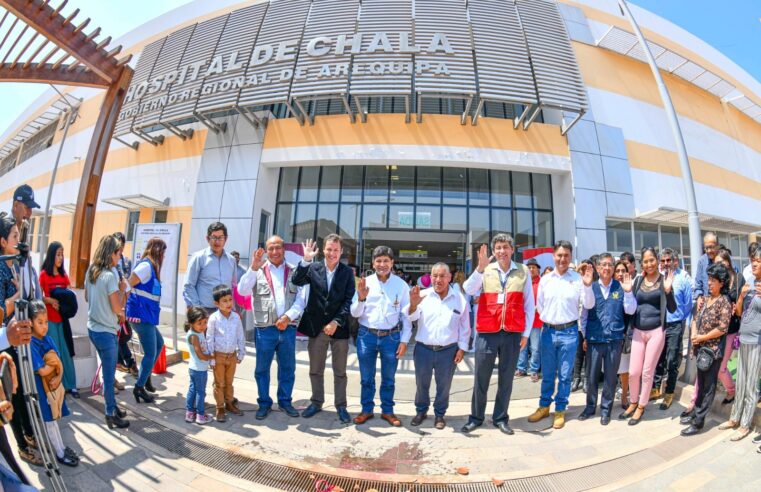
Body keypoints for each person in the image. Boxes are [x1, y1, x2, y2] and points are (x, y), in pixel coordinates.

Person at [461, 234, 535, 435]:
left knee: (506, 379)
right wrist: (479, 269)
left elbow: (529, 304)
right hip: (487, 332)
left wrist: (526, 334)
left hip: (512, 333)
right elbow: (468, 289)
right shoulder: (486, 270)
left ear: (512, 249)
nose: (502, 251)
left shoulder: (523, 271)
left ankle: (500, 418)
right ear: (494, 251)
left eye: (505, 247)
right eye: (498, 248)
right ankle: (476, 417)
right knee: (481, 378)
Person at [238, 235, 307, 420]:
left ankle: (285, 402)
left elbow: (301, 299)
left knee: (287, 368)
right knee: (262, 369)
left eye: (278, 248)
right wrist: (253, 266)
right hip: (264, 330)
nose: (275, 252)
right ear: (266, 251)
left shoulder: (294, 271)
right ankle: (264, 403)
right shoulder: (257, 270)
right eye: (271, 248)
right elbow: (242, 290)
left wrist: (287, 317)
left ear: (284, 249)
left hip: (288, 328)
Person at [528, 241, 594, 430]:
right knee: (547, 374)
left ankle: (560, 409)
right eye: (559, 255)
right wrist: (550, 320)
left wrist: (588, 286)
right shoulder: (546, 280)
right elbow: (540, 305)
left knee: (565, 375)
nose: (562, 259)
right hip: (548, 332)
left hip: (569, 332)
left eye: (566, 255)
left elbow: (588, 305)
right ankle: (543, 406)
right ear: (553, 256)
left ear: (570, 257)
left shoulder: (578, 279)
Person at [292, 235, 355, 423]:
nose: (332, 253)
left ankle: (341, 406)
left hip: (339, 330)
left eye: (336, 250)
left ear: (341, 251)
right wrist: (306, 260)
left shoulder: (347, 273)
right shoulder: (313, 267)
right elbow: (297, 280)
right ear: (324, 250)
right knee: (315, 369)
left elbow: (348, 300)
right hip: (317, 328)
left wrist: (336, 321)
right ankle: (317, 402)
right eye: (329, 249)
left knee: (340, 372)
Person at [350, 245, 410, 427]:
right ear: (373, 263)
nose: (382, 264)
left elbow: (406, 316)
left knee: (389, 378)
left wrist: (405, 341)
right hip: (366, 335)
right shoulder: (364, 282)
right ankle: (366, 410)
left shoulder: (401, 285)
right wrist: (360, 298)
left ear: (392, 263)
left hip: (391, 337)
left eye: (386, 260)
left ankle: (387, 411)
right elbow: (354, 313)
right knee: (366, 377)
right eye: (378, 261)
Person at [407, 263, 469, 429]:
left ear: (449, 278)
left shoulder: (459, 299)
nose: (438, 280)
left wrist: (462, 348)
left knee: (444, 385)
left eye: (442, 276)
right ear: (430, 277)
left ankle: (440, 414)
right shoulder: (423, 295)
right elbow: (411, 318)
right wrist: (413, 304)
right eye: (435, 276)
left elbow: (465, 326)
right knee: (422, 383)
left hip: (448, 351)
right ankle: (421, 411)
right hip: (423, 349)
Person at [0, 213, 41, 465]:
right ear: (2, 241)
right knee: (10, 394)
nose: (18, 240)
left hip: (16, 338)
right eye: (14, 236)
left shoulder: (14, 265)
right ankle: (22, 446)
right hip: (7, 339)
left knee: (24, 388)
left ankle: (28, 434)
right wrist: (17, 294)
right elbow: (2, 307)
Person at [620, 247, 676, 425]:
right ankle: (633, 402)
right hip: (638, 330)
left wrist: (668, 291)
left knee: (646, 372)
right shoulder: (638, 281)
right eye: (645, 261)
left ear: (657, 260)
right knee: (634, 371)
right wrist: (628, 291)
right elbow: (630, 309)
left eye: (652, 260)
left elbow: (673, 308)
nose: (649, 264)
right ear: (641, 263)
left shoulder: (664, 280)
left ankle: (641, 406)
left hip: (656, 331)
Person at [579, 254, 636, 425]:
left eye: (610, 265)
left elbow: (631, 310)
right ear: (597, 268)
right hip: (595, 339)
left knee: (611, 377)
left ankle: (606, 410)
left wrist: (628, 292)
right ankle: (590, 408)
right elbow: (585, 309)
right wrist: (584, 336)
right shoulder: (590, 286)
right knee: (591, 376)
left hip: (614, 340)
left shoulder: (621, 287)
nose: (607, 268)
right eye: (603, 265)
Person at [679, 263, 732, 436]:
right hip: (701, 350)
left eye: (713, 280)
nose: (709, 283)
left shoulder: (724, 302)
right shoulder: (706, 299)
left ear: (721, 283)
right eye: (709, 279)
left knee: (708, 387)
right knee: (700, 384)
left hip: (712, 352)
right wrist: (694, 333)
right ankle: (695, 412)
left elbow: (723, 328)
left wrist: (702, 338)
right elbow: (696, 318)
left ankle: (698, 422)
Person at [85, 234, 129, 429]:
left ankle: (113, 406)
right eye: (118, 253)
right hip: (106, 332)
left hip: (93, 328)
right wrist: (123, 291)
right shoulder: (110, 276)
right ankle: (110, 413)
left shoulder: (92, 271)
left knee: (108, 372)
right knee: (110, 376)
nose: (120, 256)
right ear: (111, 253)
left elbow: (87, 297)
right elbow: (117, 308)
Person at [27, 300, 79, 466]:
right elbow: (42, 370)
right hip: (43, 391)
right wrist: (53, 366)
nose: (44, 326)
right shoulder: (31, 343)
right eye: (39, 322)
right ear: (30, 322)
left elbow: (59, 362)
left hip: (55, 387)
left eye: (46, 322)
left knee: (55, 420)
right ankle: (59, 453)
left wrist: (57, 372)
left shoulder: (48, 339)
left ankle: (61, 447)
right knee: (50, 422)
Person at [718, 248, 761, 441]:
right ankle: (734, 418)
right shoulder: (750, 284)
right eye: (753, 261)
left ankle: (745, 424)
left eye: (758, 261)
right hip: (744, 338)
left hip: (757, 341)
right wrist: (742, 295)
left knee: (751, 385)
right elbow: (739, 313)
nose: (754, 264)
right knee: (742, 381)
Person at [126, 237, 167, 403]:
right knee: (151, 352)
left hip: (147, 316)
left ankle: (145, 375)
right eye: (163, 253)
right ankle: (139, 387)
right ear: (157, 251)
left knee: (159, 343)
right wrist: (122, 309)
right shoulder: (145, 267)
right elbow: (128, 285)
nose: (164, 257)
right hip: (140, 316)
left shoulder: (151, 268)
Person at [652, 248, 693, 409]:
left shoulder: (682, 279)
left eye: (668, 260)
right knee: (658, 358)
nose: (665, 263)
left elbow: (688, 304)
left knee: (672, 360)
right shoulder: (656, 279)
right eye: (663, 260)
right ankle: (655, 389)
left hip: (675, 325)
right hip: (658, 325)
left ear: (674, 261)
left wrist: (681, 320)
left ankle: (669, 393)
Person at [39, 241, 79, 399]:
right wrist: (48, 301)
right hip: (49, 322)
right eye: (58, 254)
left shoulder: (64, 276)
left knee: (67, 353)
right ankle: (56, 386)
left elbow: (69, 296)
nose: (61, 258)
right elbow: (37, 297)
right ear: (51, 255)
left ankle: (72, 385)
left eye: (62, 254)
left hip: (63, 321)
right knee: (54, 355)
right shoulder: (43, 275)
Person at [206, 284, 245, 422]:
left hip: (232, 356)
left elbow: (240, 335)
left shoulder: (236, 317)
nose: (228, 303)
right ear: (216, 303)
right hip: (218, 356)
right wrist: (211, 358)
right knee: (219, 383)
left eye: (230, 299)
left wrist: (241, 353)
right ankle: (220, 407)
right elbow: (209, 338)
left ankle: (229, 403)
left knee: (229, 382)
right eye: (224, 301)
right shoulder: (213, 319)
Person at [183, 222, 237, 313]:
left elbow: (233, 286)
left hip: (225, 311)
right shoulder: (199, 257)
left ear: (226, 239)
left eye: (220, 237)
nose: (217, 241)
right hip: (205, 310)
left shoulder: (231, 260)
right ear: (207, 239)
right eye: (214, 237)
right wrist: (198, 309)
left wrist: (233, 309)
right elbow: (188, 285)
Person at [714, 249, 744, 405]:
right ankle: (732, 389)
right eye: (717, 263)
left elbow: (742, 301)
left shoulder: (738, 278)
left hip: (733, 329)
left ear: (728, 261)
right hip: (718, 330)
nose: (721, 265)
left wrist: (736, 305)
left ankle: (732, 391)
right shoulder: (720, 280)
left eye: (722, 262)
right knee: (718, 366)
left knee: (722, 367)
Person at [113, 233, 138, 378]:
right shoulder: (109, 263)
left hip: (125, 302)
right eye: (118, 245)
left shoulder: (127, 262)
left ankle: (124, 362)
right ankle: (128, 363)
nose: (120, 248)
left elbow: (129, 282)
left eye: (122, 245)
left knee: (124, 334)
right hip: (114, 302)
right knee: (118, 335)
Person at [184, 307, 214, 425]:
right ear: (191, 323)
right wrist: (211, 357)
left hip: (194, 368)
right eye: (199, 323)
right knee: (200, 392)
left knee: (192, 389)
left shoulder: (198, 332)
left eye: (205, 323)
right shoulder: (194, 336)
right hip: (199, 369)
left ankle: (190, 413)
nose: (203, 326)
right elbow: (201, 355)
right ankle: (201, 415)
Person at [572, 259, 598, 393]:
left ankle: (587, 379)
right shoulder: (575, 283)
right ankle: (576, 378)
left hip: (589, 324)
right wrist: (578, 271)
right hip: (576, 324)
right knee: (578, 353)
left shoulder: (594, 285)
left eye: (588, 269)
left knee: (588, 352)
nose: (585, 272)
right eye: (583, 269)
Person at [516, 258, 542, 382]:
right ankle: (521, 368)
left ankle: (534, 370)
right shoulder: (522, 282)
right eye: (529, 267)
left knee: (535, 348)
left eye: (534, 267)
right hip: (523, 320)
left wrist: (539, 307)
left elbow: (545, 300)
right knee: (522, 346)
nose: (531, 269)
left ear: (538, 270)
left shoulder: (542, 283)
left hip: (536, 321)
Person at [614, 260, 633, 409]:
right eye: (617, 271)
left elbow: (631, 310)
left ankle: (625, 397)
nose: (620, 274)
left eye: (623, 271)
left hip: (626, 334)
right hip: (610, 335)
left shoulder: (631, 288)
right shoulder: (609, 288)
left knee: (625, 370)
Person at [694, 232, 719, 312]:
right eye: (706, 248)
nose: (708, 251)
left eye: (711, 247)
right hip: (707, 307)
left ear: (717, 245)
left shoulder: (726, 260)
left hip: (723, 306)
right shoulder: (702, 261)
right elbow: (698, 285)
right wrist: (699, 298)